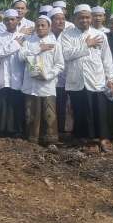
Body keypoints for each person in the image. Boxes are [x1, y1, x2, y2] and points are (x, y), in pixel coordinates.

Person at [60, 4, 113, 152]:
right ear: (74, 19)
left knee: (99, 110)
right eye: (81, 17)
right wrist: (86, 45)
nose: (84, 20)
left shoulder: (100, 35)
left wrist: (111, 79)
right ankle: (85, 140)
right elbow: (66, 55)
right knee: (80, 110)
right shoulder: (67, 35)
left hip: (96, 79)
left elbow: (107, 59)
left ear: (91, 18)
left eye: (87, 17)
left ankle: (103, 139)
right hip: (76, 79)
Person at [19, 15, 64, 146]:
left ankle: (49, 140)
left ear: (49, 27)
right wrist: (39, 48)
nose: (40, 28)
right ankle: (32, 139)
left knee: (48, 111)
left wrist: (48, 75)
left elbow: (60, 65)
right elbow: (21, 56)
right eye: (38, 25)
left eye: (43, 25)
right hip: (31, 83)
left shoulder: (55, 44)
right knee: (31, 110)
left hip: (47, 84)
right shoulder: (28, 41)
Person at [0, 9, 26, 137]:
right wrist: (15, 44)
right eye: (7, 20)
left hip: (18, 74)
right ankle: (2, 130)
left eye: (12, 19)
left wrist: (16, 44)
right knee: (3, 101)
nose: (10, 22)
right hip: (3, 74)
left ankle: (16, 130)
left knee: (16, 102)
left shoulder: (24, 36)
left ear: (17, 21)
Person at [49, 7, 71, 135]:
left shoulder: (68, 35)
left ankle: (63, 131)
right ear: (51, 21)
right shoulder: (45, 35)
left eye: (63, 19)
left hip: (66, 78)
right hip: (49, 78)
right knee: (51, 106)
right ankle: (50, 131)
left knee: (63, 106)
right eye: (57, 19)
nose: (61, 22)